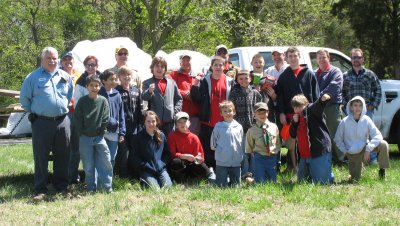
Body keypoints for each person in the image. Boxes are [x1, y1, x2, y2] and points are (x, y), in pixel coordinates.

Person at [20, 47, 73, 201]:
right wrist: (35, 113)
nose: (52, 61)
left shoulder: (65, 76)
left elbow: (69, 94)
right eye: (48, 58)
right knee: (41, 156)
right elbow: (25, 99)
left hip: (63, 121)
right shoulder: (32, 77)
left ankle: (61, 187)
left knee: (63, 155)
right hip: (41, 122)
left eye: (54, 58)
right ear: (42, 59)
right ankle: (40, 189)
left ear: (58, 59)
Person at [276, 46, 320, 172]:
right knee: (291, 143)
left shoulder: (309, 73)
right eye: (290, 56)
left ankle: (307, 165)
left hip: (308, 114)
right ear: (286, 58)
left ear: (299, 57)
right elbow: (280, 97)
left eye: (295, 56)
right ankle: (292, 167)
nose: (293, 58)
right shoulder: (284, 76)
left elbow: (316, 95)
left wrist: (316, 112)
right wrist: (282, 113)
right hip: (290, 115)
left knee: (306, 140)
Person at [191, 56, 235, 168]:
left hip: (225, 121)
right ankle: (211, 171)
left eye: (220, 65)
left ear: (225, 66)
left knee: (225, 147)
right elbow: (196, 98)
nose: (218, 67)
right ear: (211, 66)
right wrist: (195, 85)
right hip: (209, 121)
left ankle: (224, 169)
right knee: (209, 148)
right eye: (215, 64)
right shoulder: (205, 80)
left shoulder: (230, 81)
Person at [334, 96, 390, 182]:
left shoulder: (367, 120)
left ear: (363, 107)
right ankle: (357, 169)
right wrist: (345, 150)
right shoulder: (344, 122)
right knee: (355, 180)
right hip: (353, 152)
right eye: (355, 105)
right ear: (351, 107)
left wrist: (368, 149)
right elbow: (337, 139)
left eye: (360, 105)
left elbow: (378, 135)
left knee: (383, 144)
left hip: (365, 149)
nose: (358, 108)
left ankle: (382, 171)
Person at [342, 48, 382, 164]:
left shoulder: (370, 74)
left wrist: (373, 105)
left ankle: (372, 158)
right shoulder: (345, 75)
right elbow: (341, 92)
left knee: (369, 134)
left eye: (358, 57)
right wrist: (346, 105)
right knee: (351, 135)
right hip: (351, 111)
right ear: (351, 59)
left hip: (367, 111)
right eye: (354, 57)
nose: (356, 60)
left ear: (362, 59)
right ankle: (353, 158)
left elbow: (378, 89)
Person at [73, 75, 112, 192]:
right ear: (87, 87)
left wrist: (101, 133)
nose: (94, 88)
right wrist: (81, 133)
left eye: (96, 85)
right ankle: (91, 188)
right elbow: (77, 118)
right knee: (88, 166)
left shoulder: (103, 101)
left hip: (99, 138)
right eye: (91, 85)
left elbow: (106, 118)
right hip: (85, 138)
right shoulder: (82, 101)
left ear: (100, 87)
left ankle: (106, 188)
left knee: (105, 162)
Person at [289, 94, 334, 184]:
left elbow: (317, 106)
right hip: (304, 156)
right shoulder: (297, 118)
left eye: (300, 106)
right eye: (295, 107)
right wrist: (294, 123)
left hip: (318, 153)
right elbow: (292, 134)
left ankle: (329, 175)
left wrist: (322, 99)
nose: (297, 110)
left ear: (306, 104)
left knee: (322, 182)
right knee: (302, 181)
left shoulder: (311, 111)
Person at [229, 70, 262, 179]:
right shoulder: (234, 92)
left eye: (246, 78)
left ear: (250, 79)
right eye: (241, 78)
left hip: (253, 126)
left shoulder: (255, 93)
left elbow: (260, 108)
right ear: (237, 80)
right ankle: (244, 172)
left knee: (253, 150)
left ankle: (253, 172)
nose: (244, 81)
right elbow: (231, 109)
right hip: (239, 126)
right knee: (243, 151)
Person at [315, 49, 345, 165]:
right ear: (316, 60)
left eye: (324, 57)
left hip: (331, 107)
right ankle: (328, 158)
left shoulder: (335, 71)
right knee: (321, 135)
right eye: (319, 58)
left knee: (335, 134)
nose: (322, 60)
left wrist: (318, 97)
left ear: (329, 58)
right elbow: (312, 89)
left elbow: (334, 88)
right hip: (318, 108)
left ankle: (341, 159)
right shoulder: (314, 73)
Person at [167, 112, 214, 183]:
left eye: (185, 121)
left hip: (192, 163)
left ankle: (208, 174)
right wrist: (184, 156)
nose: (183, 124)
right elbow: (172, 154)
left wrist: (197, 159)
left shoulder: (194, 137)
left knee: (203, 168)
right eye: (179, 122)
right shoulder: (172, 135)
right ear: (176, 125)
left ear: (189, 123)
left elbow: (200, 156)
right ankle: (179, 180)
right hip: (180, 162)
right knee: (176, 162)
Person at [142, 56, 182, 136]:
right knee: (156, 146)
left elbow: (179, 99)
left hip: (169, 123)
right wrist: (149, 91)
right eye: (157, 66)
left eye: (162, 66)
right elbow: (144, 97)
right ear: (152, 68)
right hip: (154, 123)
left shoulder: (172, 83)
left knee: (169, 147)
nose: (159, 69)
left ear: (165, 69)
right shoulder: (147, 82)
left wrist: (175, 112)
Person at [133, 111, 172, 189]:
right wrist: (145, 166)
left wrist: (161, 164)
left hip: (160, 169)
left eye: (153, 121)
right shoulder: (138, 137)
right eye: (148, 121)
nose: (151, 124)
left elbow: (167, 154)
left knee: (168, 187)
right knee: (155, 189)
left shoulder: (161, 135)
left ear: (157, 122)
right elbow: (135, 157)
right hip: (146, 170)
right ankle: (145, 181)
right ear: (144, 122)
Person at [115, 66, 143, 178]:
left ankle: (134, 175)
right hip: (122, 127)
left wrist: (140, 124)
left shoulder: (136, 91)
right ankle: (122, 176)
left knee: (134, 152)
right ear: (119, 77)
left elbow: (140, 109)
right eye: (124, 75)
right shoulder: (116, 91)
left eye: (128, 75)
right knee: (123, 154)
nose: (127, 77)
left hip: (135, 127)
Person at [60, 51, 82, 184]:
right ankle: (62, 175)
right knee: (64, 146)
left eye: (70, 59)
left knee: (76, 147)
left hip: (78, 113)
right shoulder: (57, 75)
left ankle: (73, 175)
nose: (68, 62)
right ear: (61, 62)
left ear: (74, 61)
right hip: (64, 114)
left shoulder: (79, 75)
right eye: (65, 60)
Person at [210, 100, 244, 187]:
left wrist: (241, 154)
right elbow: (213, 142)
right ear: (221, 113)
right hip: (222, 160)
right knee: (221, 185)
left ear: (234, 112)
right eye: (225, 111)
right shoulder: (218, 126)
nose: (228, 113)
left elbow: (242, 142)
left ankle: (231, 181)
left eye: (230, 110)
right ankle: (213, 178)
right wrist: (219, 150)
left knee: (236, 186)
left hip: (236, 161)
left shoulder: (239, 126)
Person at [246, 102, 281, 183]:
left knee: (272, 181)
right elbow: (249, 146)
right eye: (259, 113)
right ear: (254, 114)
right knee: (260, 182)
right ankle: (252, 181)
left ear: (268, 113)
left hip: (272, 157)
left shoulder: (274, 126)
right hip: (259, 158)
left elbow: (277, 141)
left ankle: (252, 180)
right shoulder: (251, 130)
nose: (262, 115)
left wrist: (275, 152)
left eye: (264, 112)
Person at [168, 53, 202, 135]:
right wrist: (183, 93)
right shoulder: (173, 74)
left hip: (195, 115)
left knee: (193, 139)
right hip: (180, 114)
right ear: (180, 63)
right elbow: (169, 88)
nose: (186, 62)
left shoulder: (198, 76)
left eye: (188, 60)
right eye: (183, 60)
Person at [99, 69, 126, 170]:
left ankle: (108, 182)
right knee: (101, 157)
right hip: (101, 131)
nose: (114, 81)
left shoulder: (117, 94)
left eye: (115, 79)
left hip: (114, 132)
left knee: (112, 158)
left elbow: (121, 114)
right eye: (111, 79)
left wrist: (122, 132)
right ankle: (99, 182)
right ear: (104, 81)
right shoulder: (99, 93)